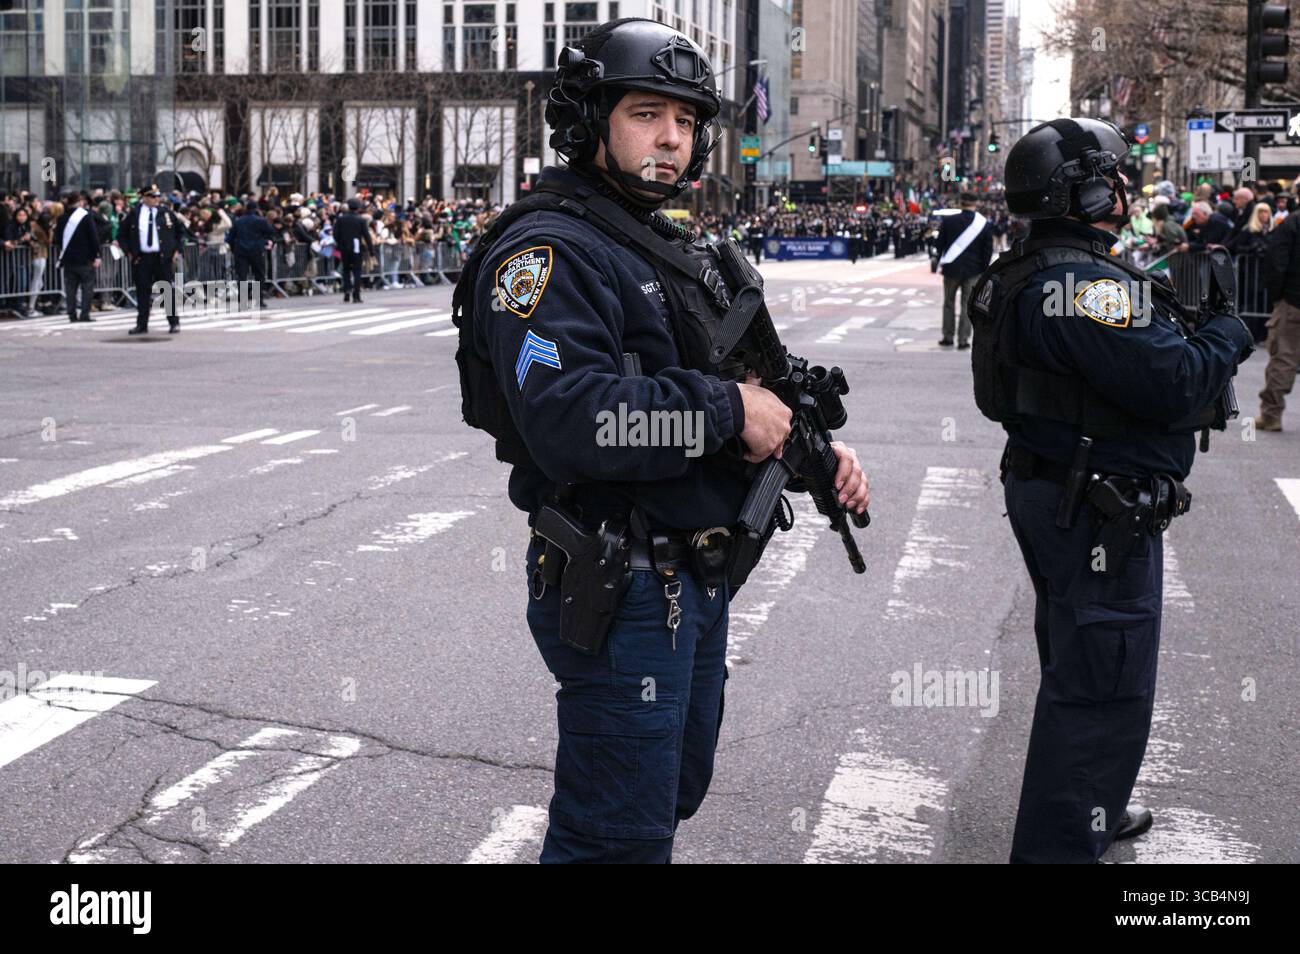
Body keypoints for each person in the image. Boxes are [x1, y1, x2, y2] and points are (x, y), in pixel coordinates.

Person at [453, 17, 868, 864]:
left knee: (668, 792)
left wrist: (811, 452)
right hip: (624, 585)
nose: (670, 137)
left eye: (685, 119)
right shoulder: (548, 251)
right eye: (646, 113)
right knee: (614, 836)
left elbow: (753, 386)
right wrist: (726, 411)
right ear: (591, 122)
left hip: (694, 578)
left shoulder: (669, 245)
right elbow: (577, 419)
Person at [973, 117, 1254, 864]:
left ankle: (1093, 808)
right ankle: (1063, 845)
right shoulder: (1087, 288)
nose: (1125, 190)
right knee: (1103, 687)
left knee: (1081, 662)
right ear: (1086, 188)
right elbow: (1178, 380)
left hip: (1058, 492)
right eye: (1117, 177)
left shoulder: (1033, 269)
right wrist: (1229, 332)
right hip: (1097, 511)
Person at [1257, 197, 1300, 432]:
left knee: (1283, 358)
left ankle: (1271, 414)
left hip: (1293, 300)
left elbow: (1276, 261)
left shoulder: (1292, 223)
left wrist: (1278, 294)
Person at [118, 185, 183, 334]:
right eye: (153, 197)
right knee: (142, 291)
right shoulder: (135, 213)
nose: (156, 199)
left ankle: (174, 322)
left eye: (157, 196)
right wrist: (129, 251)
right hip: (142, 258)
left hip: (162, 258)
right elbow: (122, 234)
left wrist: (177, 250)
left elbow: (180, 232)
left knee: (167, 290)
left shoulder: (165, 213)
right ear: (145, 198)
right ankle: (142, 324)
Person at [935, 191, 994, 350]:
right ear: (976, 204)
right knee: (967, 306)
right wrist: (983, 270)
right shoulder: (985, 225)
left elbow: (939, 245)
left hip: (951, 269)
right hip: (974, 271)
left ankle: (947, 337)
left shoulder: (948, 221)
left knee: (948, 303)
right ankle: (963, 340)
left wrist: (940, 262)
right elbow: (987, 251)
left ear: (960, 203)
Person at [52, 192, 102, 323]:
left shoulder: (62, 217)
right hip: (85, 257)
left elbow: (57, 238)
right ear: (79, 201)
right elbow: (93, 237)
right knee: (87, 287)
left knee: (70, 288)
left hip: (68, 258)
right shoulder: (85, 216)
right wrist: (97, 255)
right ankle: (84, 314)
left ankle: (71, 314)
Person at [227, 203, 275, 306]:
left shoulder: (238, 221)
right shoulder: (261, 220)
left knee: (242, 276)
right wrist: (265, 240)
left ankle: (243, 300)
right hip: (257, 250)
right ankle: (259, 300)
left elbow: (230, 237)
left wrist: (233, 249)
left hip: (241, 250)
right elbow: (271, 231)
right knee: (259, 275)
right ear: (256, 209)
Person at [333, 198, 372, 303]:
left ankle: (346, 292)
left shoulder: (341, 219)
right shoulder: (360, 220)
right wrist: (371, 250)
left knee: (346, 270)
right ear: (358, 207)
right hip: (356, 248)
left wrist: (340, 242)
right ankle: (356, 295)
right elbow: (366, 236)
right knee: (357, 271)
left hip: (344, 248)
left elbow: (335, 234)